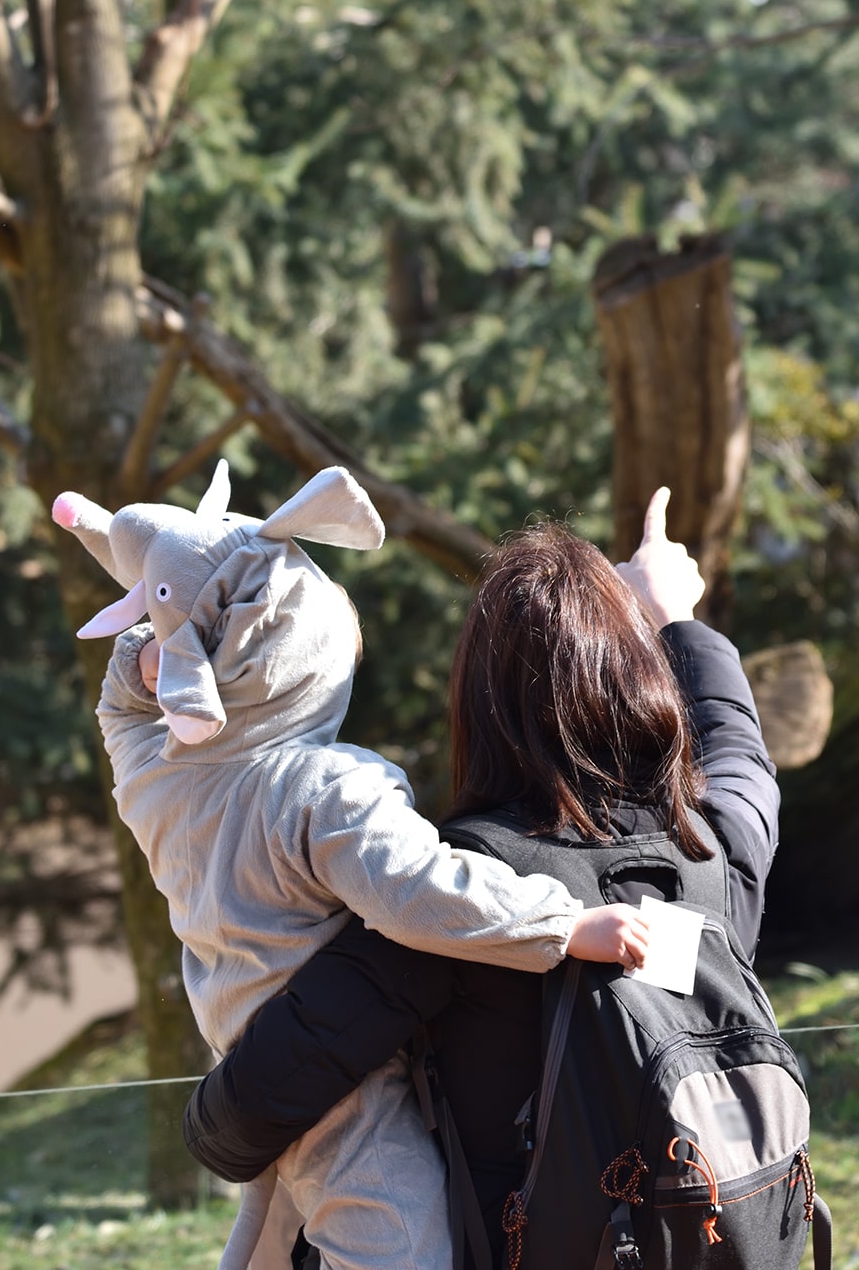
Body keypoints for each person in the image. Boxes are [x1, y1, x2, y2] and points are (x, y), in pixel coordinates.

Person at [73, 466, 656, 1270]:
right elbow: (422, 892)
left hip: (248, 1044)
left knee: (273, 1226)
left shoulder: (161, 779)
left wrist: (155, 649)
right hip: (342, 1080)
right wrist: (564, 925)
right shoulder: (321, 791)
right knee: (401, 1248)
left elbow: (119, 707)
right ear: (297, 661)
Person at [184, 491, 780, 1268]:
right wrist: (671, 619)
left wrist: (200, 1128)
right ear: (642, 676)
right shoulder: (710, 858)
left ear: (482, 705)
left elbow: (262, 1097)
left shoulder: (464, 893)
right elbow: (741, 756)